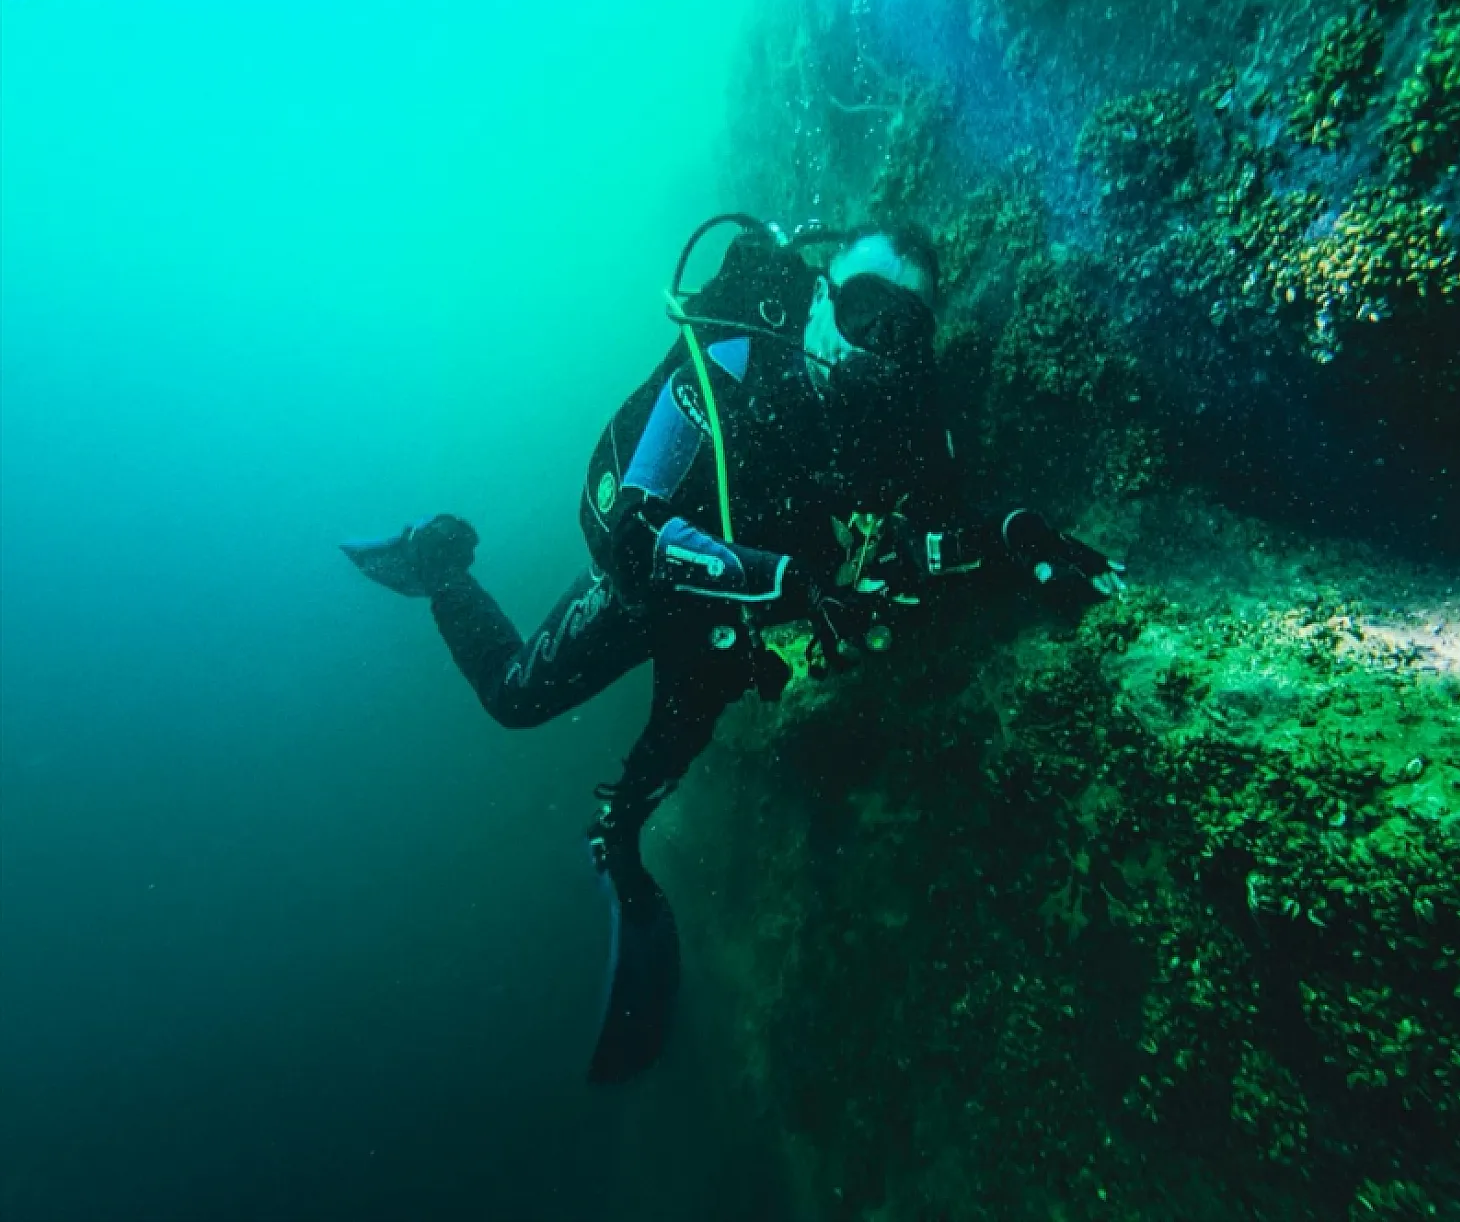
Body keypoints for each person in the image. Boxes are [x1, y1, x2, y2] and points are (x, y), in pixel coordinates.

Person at [343, 217, 1125, 1082]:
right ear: (824, 293)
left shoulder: (906, 421)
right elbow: (636, 527)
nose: (878, 343)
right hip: (654, 591)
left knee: (642, 793)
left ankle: (622, 862)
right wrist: (790, 580)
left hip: (725, 642)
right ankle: (440, 569)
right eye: (864, 308)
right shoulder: (732, 354)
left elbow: (924, 544)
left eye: (905, 327)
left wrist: (1012, 535)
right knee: (516, 699)